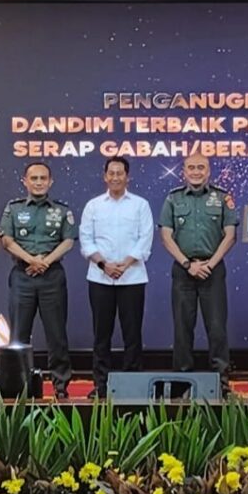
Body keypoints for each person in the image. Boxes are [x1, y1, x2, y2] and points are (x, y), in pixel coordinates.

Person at [159, 153, 238, 392]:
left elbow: (230, 235)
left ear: (208, 171)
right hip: (183, 271)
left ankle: (221, 381)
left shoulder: (223, 197)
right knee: (182, 327)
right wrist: (187, 264)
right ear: (184, 172)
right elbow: (166, 236)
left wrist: (210, 264)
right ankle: (182, 381)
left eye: (201, 167)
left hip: (213, 271)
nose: (196, 172)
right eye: (191, 167)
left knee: (217, 327)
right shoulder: (173, 198)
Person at [0, 162, 77, 399]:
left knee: (57, 334)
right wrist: (31, 260)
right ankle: (18, 386)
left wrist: (46, 262)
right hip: (22, 275)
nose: (39, 182)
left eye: (43, 178)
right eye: (34, 178)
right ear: (25, 181)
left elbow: (68, 241)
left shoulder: (62, 210)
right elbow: (7, 240)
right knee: (18, 335)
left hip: (52, 276)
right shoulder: (13, 208)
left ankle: (60, 386)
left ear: (50, 182)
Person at [80, 157, 154, 399]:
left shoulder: (140, 205)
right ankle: (101, 385)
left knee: (132, 335)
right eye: (111, 173)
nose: (115, 177)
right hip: (100, 278)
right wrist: (104, 264)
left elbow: (145, 238)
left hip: (132, 278)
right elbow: (86, 240)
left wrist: (126, 263)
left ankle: (133, 385)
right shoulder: (93, 206)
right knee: (101, 335)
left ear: (127, 177)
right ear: (105, 176)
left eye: (119, 173)